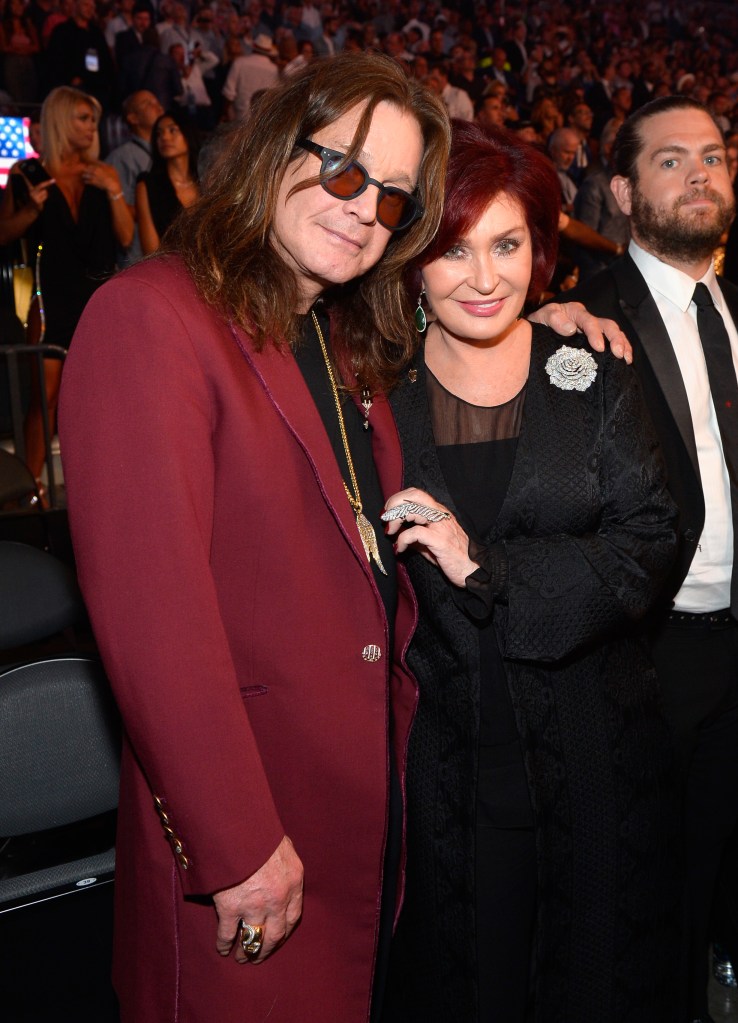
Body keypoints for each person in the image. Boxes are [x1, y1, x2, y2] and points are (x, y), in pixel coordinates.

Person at [58, 52, 629, 1023]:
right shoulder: (152, 316)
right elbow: (156, 625)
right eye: (345, 171)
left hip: (360, 829)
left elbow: (471, 322)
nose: (367, 208)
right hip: (252, 841)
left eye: (396, 198)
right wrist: (233, 841)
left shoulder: (336, 339)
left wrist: (554, 317)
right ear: (278, 147)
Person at [380, 121, 679, 1023]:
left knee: (589, 977)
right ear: (412, 260)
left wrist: (488, 566)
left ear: (541, 249)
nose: (483, 277)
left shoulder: (589, 369)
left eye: (507, 245)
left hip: (593, 757)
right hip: (434, 769)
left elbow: (648, 545)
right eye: (453, 250)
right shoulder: (371, 392)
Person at [568, 95, 738, 1023]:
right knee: (650, 892)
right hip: (649, 653)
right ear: (625, 193)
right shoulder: (576, 319)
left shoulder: (737, 302)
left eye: (712, 154)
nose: (700, 171)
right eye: (671, 160)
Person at [0, 85, 133, 484]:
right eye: (82, 118)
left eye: (93, 119)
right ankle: (30, 489)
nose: (91, 127)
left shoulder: (103, 173)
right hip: (52, 299)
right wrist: (30, 209)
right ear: (60, 119)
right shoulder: (29, 173)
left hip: (100, 301)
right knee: (45, 400)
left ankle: (105, 484)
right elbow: (5, 233)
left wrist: (114, 189)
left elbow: (126, 237)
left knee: (100, 403)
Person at [106, 89, 164, 265]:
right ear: (132, 118)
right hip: (137, 257)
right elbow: (119, 208)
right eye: (148, 103)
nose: (158, 107)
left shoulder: (165, 152)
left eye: (157, 101)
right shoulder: (121, 157)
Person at [136, 107, 199, 255]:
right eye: (159, 133)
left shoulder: (206, 179)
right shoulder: (148, 184)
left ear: (187, 133)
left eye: (172, 130)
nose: (164, 137)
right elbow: (151, 251)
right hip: (168, 271)